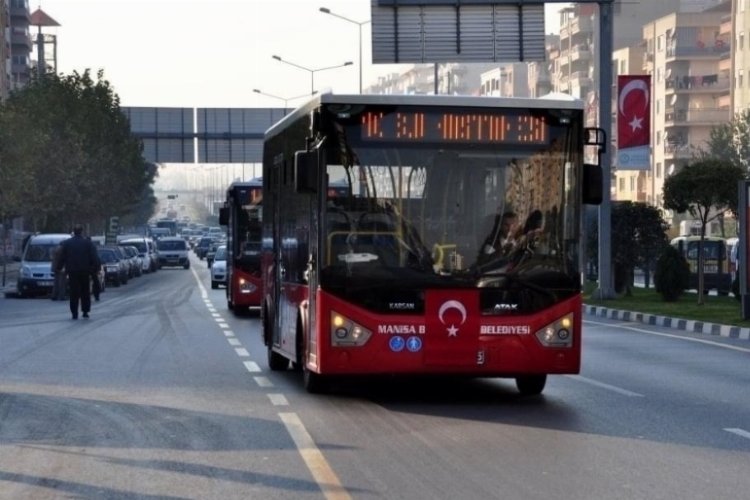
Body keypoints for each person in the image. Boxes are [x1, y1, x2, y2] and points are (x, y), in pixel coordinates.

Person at [57, 224, 98, 319]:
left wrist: (58, 268)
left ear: (74, 232)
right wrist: (94, 269)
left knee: (74, 292)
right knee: (85, 291)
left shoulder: (67, 243)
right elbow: (94, 257)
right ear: (82, 232)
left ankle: (74, 312)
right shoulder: (88, 243)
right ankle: (85, 311)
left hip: (72, 271)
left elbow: (62, 257)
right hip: (85, 271)